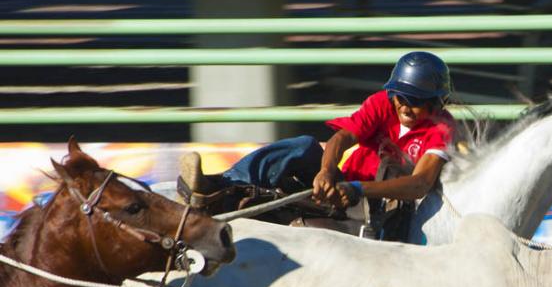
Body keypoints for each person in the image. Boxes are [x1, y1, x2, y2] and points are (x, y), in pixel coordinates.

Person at [179, 51, 457, 215]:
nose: (406, 106)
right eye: (401, 97)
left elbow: (420, 183)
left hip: (382, 207)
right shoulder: (381, 102)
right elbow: (343, 137)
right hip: (344, 183)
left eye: (416, 100)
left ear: (436, 102)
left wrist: (359, 189)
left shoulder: (442, 129)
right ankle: (218, 186)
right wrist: (326, 171)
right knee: (304, 146)